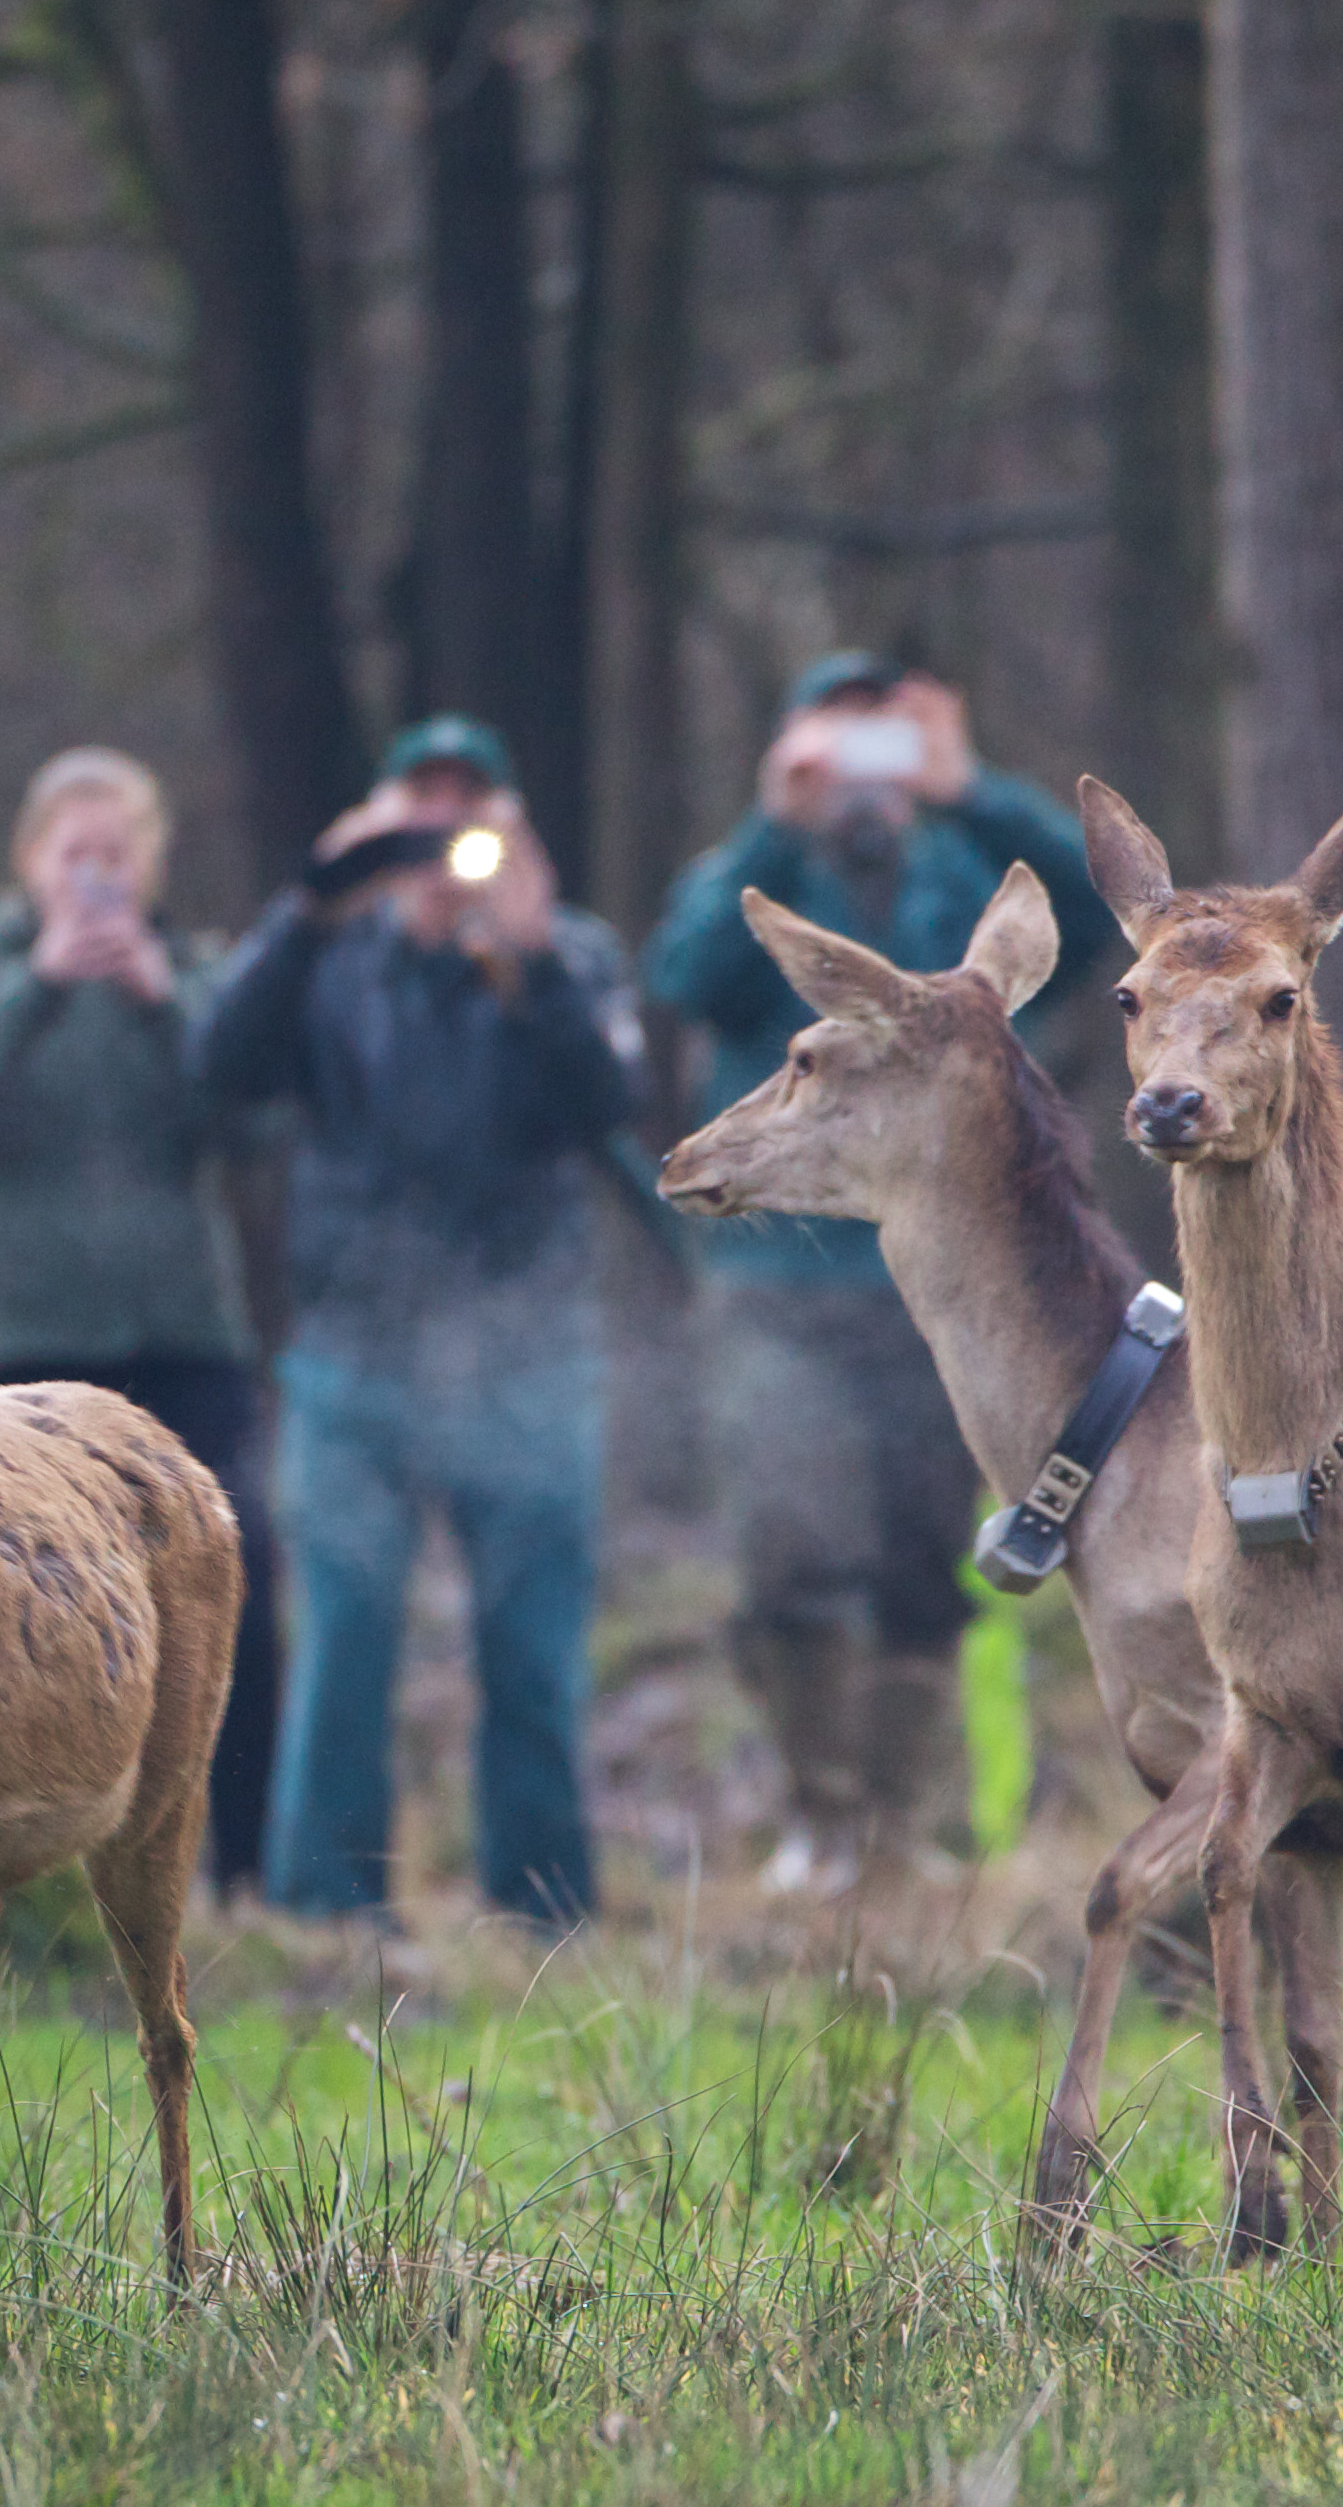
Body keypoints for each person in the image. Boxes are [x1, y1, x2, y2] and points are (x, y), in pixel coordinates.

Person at [645, 655, 1113, 1885]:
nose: (863, 777)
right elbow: (686, 979)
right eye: (835, 744)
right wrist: (771, 819)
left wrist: (981, 792)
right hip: (777, 1295)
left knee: (923, 1559)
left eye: (886, 745)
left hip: (934, 1301)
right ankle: (819, 1817)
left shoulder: (968, 868)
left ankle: (898, 1830)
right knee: (788, 1550)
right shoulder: (755, 875)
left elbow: (1112, 919)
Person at [189, 715, 643, 1928]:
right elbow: (219, 1065)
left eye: (469, 816)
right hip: (354, 1357)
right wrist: (310, 900)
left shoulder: (570, 955)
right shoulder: (330, 957)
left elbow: (613, 1101)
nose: (445, 846)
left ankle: (540, 1907)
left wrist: (532, 954)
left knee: (533, 1652)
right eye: (419, 815)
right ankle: (327, 1913)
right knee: (342, 1643)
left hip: (530, 1355)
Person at [0, 747, 284, 1893]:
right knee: (18, 1611)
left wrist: (171, 1010)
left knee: (240, 1581)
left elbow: (253, 1126)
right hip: (30, 1352)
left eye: (120, 856)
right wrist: (42, 986)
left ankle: (243, 1868)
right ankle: (25, 1865)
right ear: (32, 862)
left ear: (154, 865)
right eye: (78, 856)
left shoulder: (200, 977)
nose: (99, 879)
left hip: (185, 1343)